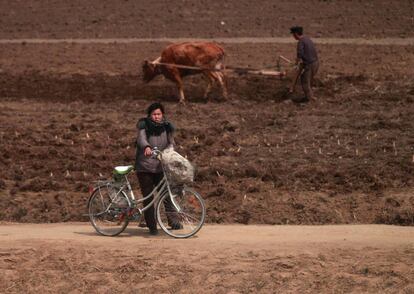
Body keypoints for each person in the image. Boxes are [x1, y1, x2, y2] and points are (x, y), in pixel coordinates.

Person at [135, 102, 179, 235]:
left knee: (166, 194)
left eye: (158, 114)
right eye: (154, 114)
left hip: (160, 166)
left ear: (162, 115)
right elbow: (141, 139)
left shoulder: (167, 127)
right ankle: (152, 226)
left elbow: (171, 143)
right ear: (150, 115)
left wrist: (170, 152)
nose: (156, 117)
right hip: (145, 167)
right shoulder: (144, 125)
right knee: (148, 198)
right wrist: (146, 147)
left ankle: (173, 221)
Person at [290, 26, 319, 103]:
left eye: (293, 34)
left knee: (305, 81)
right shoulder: (308, 39)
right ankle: (309, 97)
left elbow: (299, 54)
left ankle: (310, 100)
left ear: (296, 34)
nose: (293, 36)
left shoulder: (301, 42)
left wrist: (296, 64)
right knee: (309, 81)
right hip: (315, 63)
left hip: (309, 64)